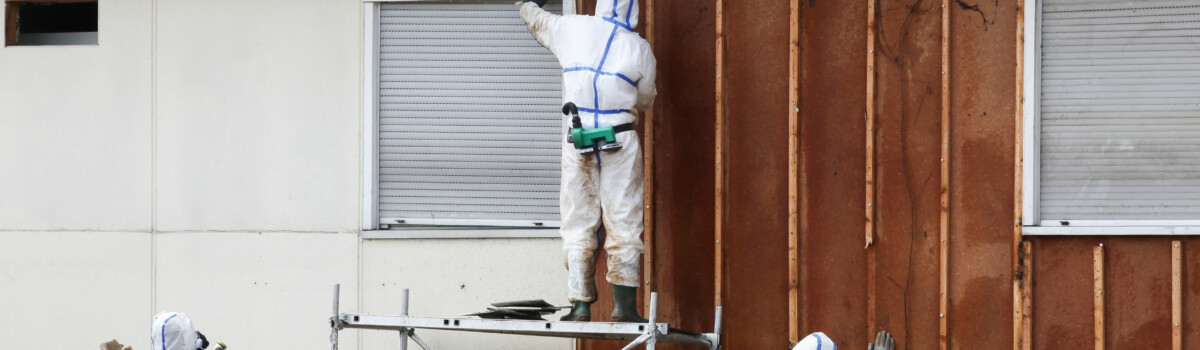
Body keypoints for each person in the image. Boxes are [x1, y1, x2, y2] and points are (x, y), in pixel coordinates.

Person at [519, 0, 657, 323]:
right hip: (620, 138)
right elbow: (648, 98)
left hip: (577, 138)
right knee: (624, 221)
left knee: (577, 220)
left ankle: (580, 306)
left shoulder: (573, 28)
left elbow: (539, 23)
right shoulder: (639, 48)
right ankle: (624, 308)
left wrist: (525, 5)